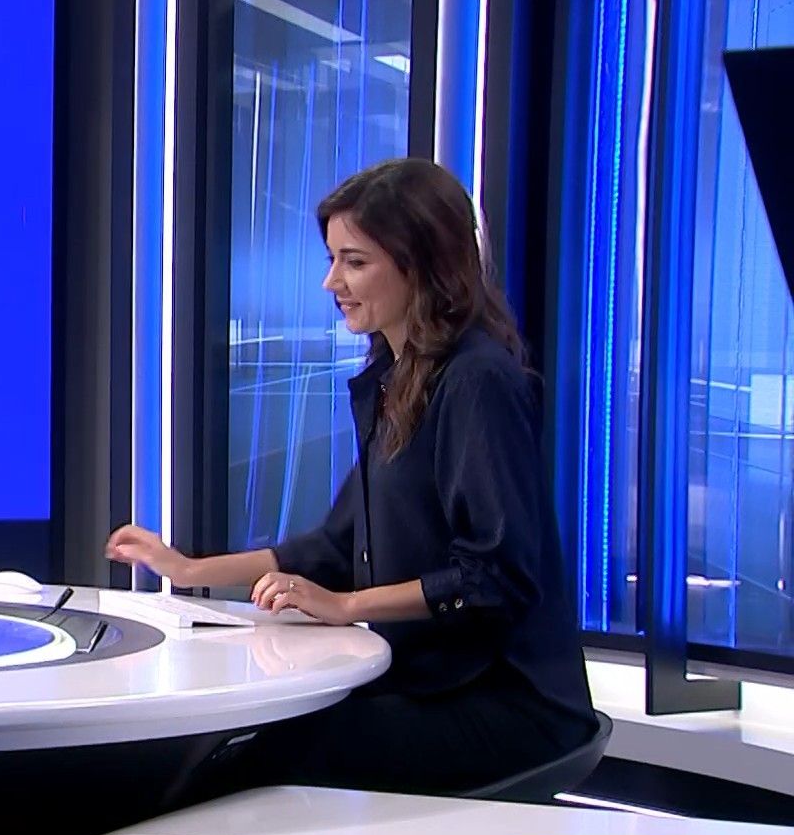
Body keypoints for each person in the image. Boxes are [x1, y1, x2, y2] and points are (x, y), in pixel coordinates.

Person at [106, 157, 597, 795]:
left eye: (354, 262)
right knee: (234, 743)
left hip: (507, 703)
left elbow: (494, 577)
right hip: (431, 681)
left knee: (263, 760)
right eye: (333, 259)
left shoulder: (477, 381)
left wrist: (345, 606)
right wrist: (188, 569)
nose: (331, 281)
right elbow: (337, 547)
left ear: (423, 266)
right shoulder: (395, 380)